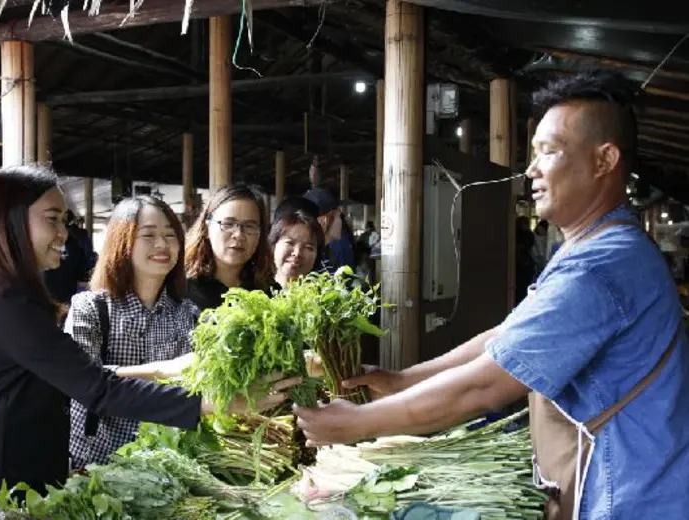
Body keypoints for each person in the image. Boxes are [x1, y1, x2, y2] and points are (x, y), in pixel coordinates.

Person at [295, 70, 689, 520]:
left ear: (605, 160)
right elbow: (506, 339)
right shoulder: (590, 246)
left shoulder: (602, 264)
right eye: (533, 153)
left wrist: (357, 424)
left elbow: (487, 384)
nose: (532, 170)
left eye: (551, 152)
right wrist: (404, 380)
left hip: (633, 498)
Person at [0, 165, 298, 511]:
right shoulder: (7, 302)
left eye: (65, 220)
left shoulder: (11, 293)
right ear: (11, 219)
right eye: (52, 219)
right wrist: (213, 401)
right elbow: (99, 388)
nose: (64, 233)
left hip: (19, 478)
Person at [65, 196, 198, 467]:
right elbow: (83, 385)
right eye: (148, 235)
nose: (162, 245)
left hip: (166, 467)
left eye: (170, 236)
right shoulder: (90, 308)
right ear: (122, 241)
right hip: (96, 467)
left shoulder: (187, 314)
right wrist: (165, 369)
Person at [185, 184, 274, 312]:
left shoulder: (269, 294)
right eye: (228, 224)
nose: (238, 235)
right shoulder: (181, 290)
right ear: (206, 228)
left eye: (249, 226)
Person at [269, 209, 324, 289]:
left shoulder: (323, 298)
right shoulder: (255, 292)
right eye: (290, 243)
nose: (297, 253)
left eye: (308, 247)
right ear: (273, 245)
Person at [301, 188, 345, 273]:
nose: (341, 221)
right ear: (325, 220)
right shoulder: (311, 261)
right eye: (339, 216)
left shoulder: (324, 253)